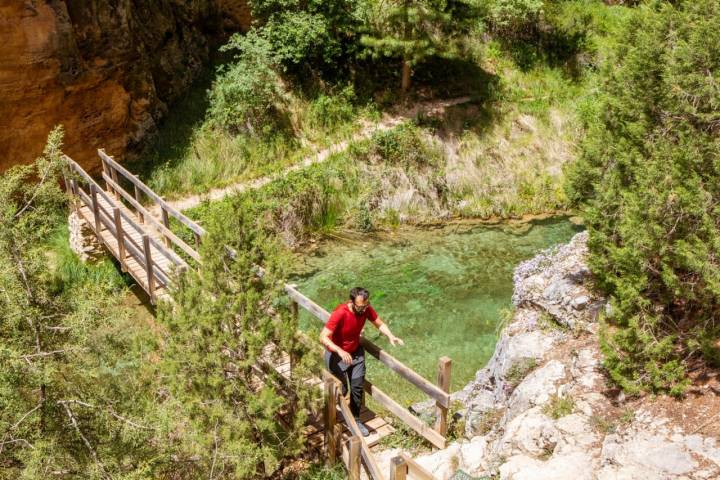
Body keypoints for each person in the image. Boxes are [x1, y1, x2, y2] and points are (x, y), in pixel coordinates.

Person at [319, 287, 404, 437]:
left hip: (356, 353)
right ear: (352, 302)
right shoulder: (340, 313)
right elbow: (323, 337)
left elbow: (379, 323)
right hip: (336, 355)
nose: (363, 309)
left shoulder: (366, 309)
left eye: (365, 305)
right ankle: (331, 413)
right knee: (342, 390)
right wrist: (340, 350)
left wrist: (391, 336)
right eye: (360, 306)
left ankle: (356, 420)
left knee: (357, 387)